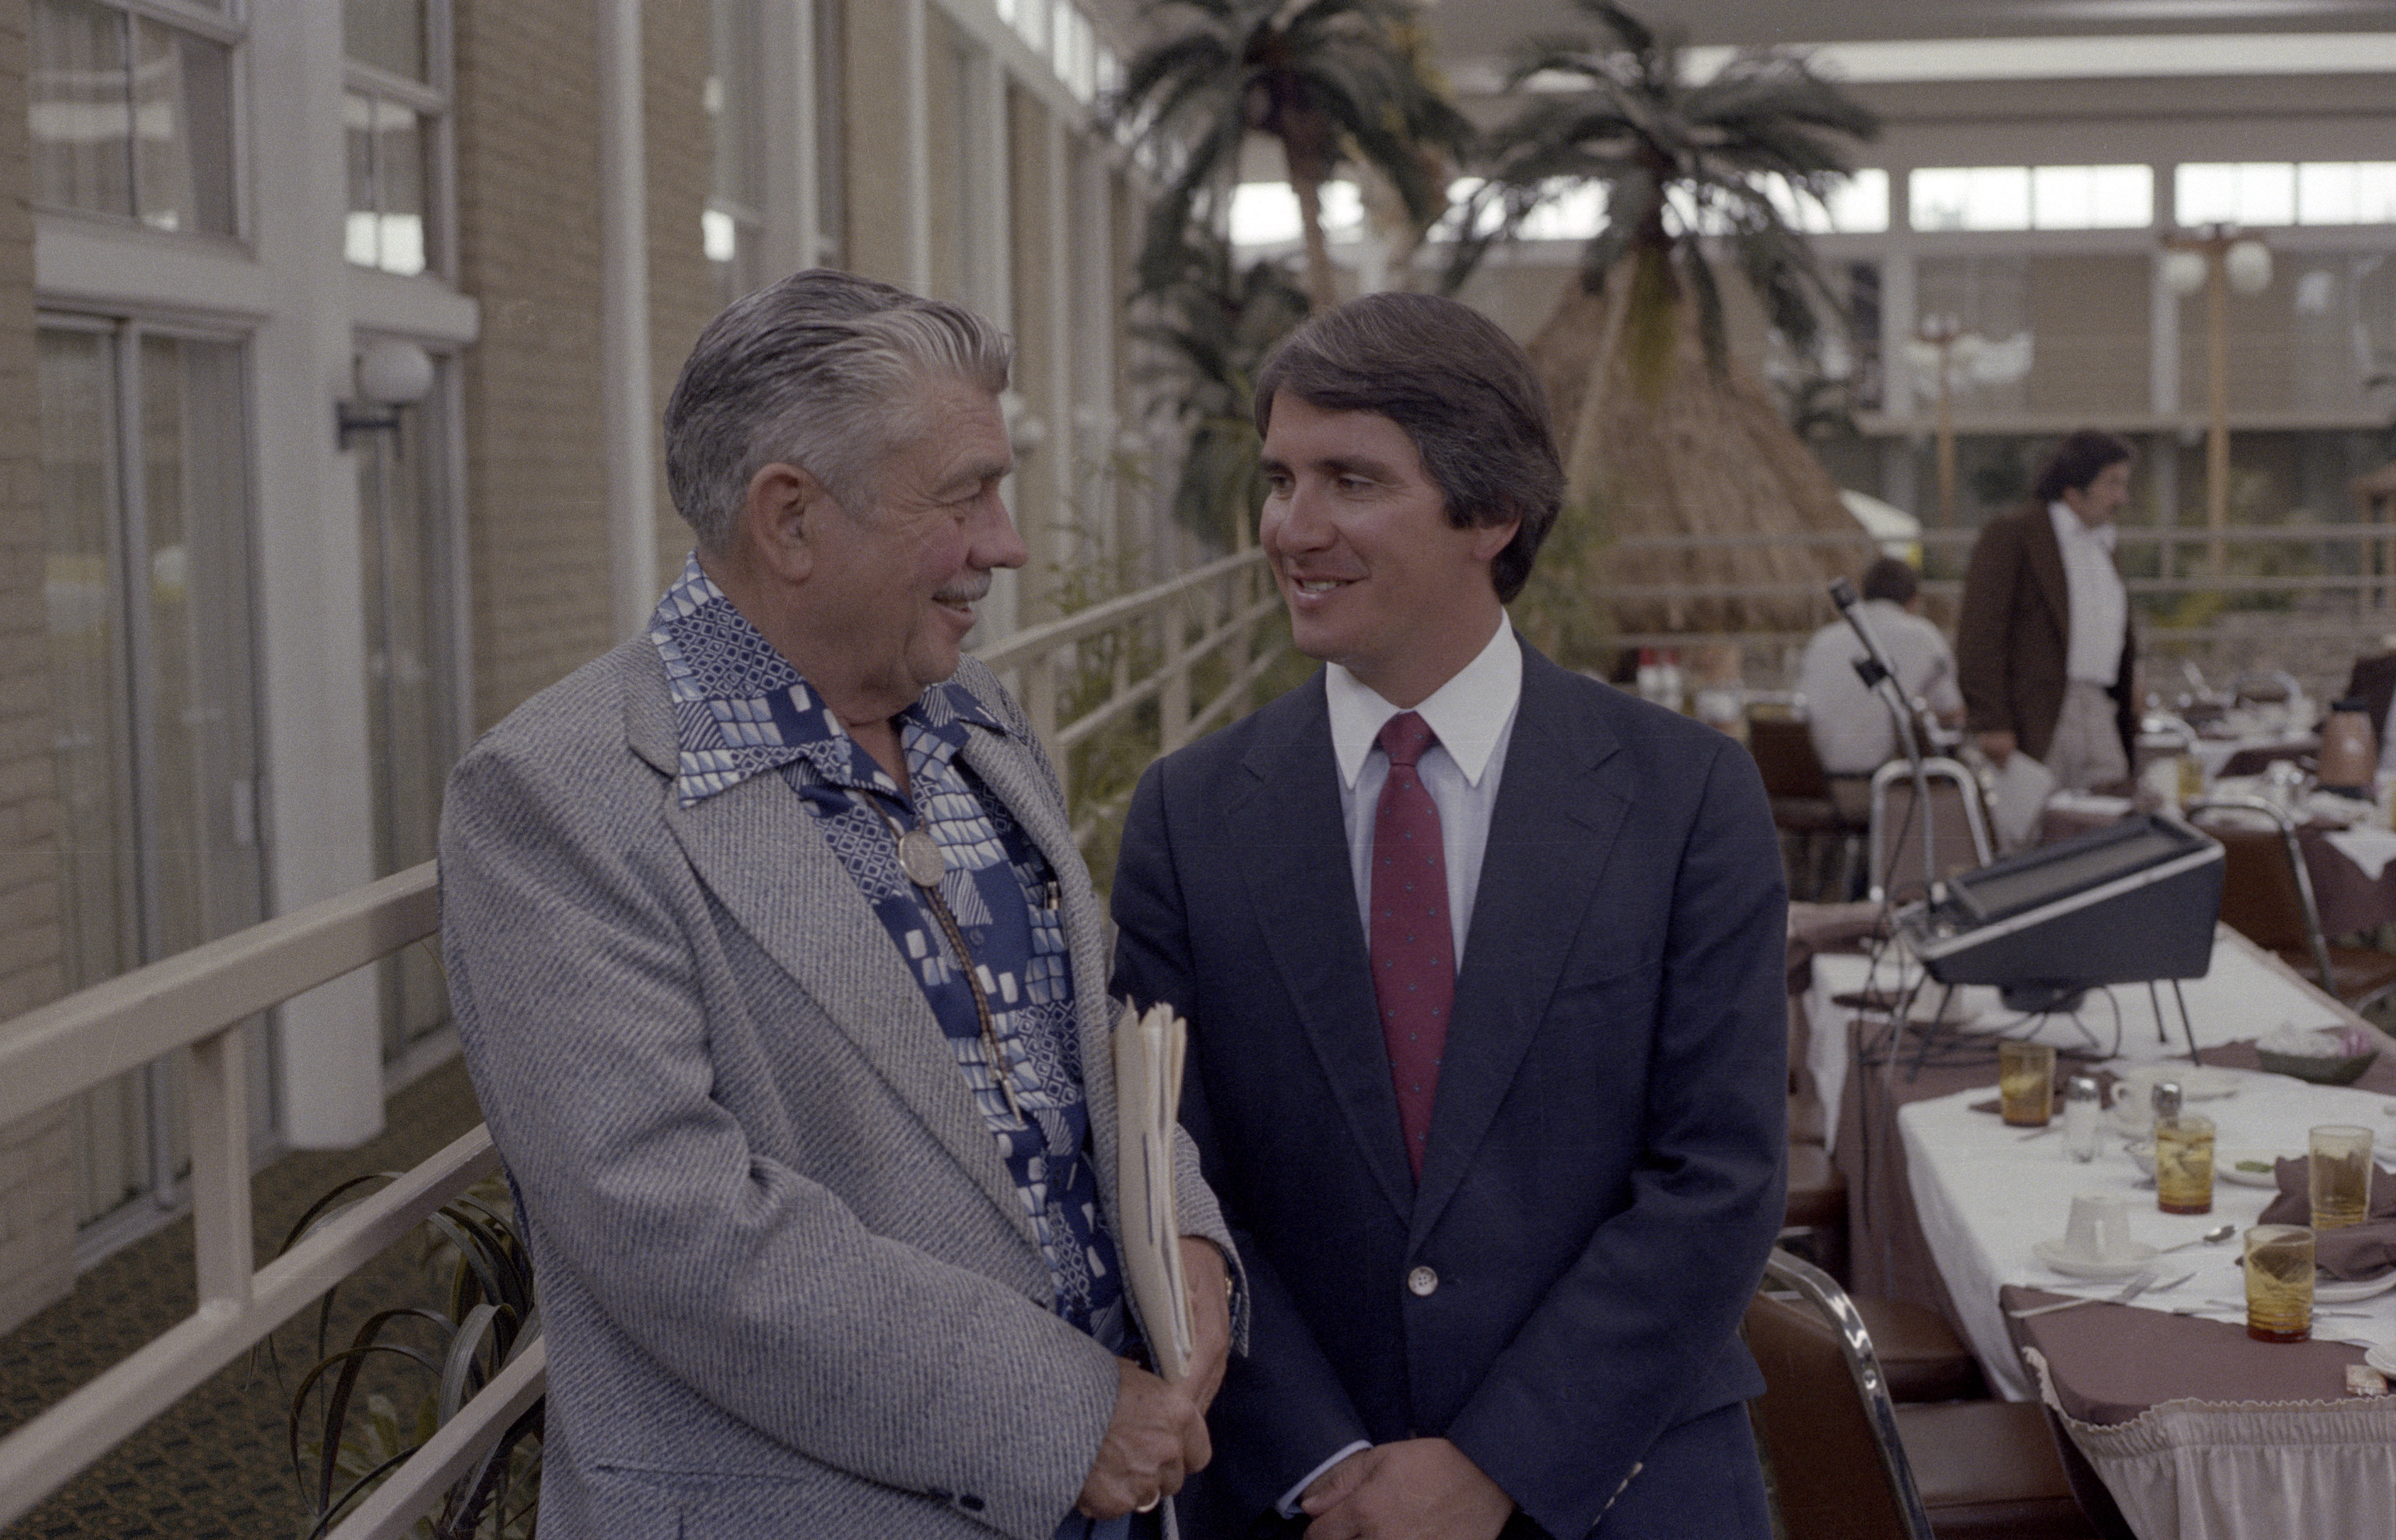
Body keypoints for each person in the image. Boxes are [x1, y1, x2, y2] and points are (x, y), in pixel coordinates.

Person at [439, 270, 1238, 1539]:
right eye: (966, 495)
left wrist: (1184, 1233)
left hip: (1117, 1483)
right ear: (792, 517)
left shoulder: (973, 718)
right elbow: (670, 1223)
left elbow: (1078, 1037)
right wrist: (1053, 1415)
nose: (1008, 544)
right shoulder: (561, 796)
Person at [1109, 293, 1788, 1540]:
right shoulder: (1188, 816)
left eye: (1350, 480)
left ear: (1492, 512)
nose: (1291, 527)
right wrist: (1325, 1457)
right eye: (1279, 479)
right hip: (1304, 1494)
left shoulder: (1686, 795)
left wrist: (1493, 1463)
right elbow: (1171, 1174)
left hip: (1622, 1479)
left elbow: (1720, 1173)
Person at [1956, 430, 2139, 792]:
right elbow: (1981, 632)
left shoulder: (2103, 543)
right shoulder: (2015, 534)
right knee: (2042, 818)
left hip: (2099, 706)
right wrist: (1991, 720)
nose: (2122, 498)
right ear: (2074, 488)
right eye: (2112, 483)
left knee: (2110, 812)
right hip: (2040, 711)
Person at [1796, 554, 1965, 821]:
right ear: (1915, 600)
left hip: (1813, 789)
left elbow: (1800, 713)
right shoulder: (1923, 635)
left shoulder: (1823, 640)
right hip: (1884, 788)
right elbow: (1953, 713)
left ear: (1864, 594)